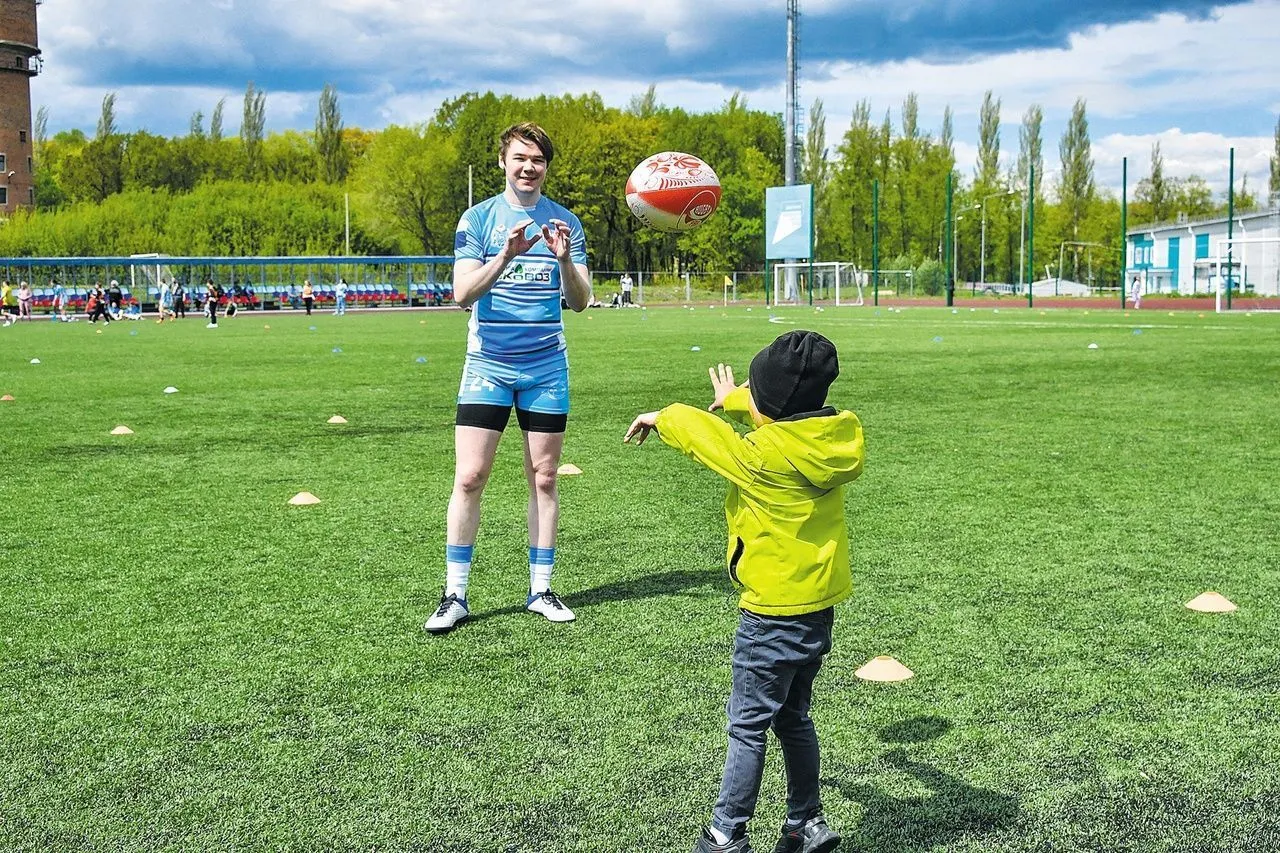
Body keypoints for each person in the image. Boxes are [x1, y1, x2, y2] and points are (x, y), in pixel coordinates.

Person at [624, 331, 865, 853]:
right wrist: (737, 398)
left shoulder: (758, 458)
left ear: (766, 406)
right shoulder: (829, 439)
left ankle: (726, 832)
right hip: (818, 610)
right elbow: (775, 418)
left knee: (747, 727)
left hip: (770, 616)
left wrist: (661, 416)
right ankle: (807, 823)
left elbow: (709, 437)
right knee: (793, 717)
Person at [424, 121, 592, 634]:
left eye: (538, 160)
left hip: (545, 367)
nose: (528, 167)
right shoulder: (477, 220)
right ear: (503, 162)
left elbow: (581, 301)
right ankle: (454, 595)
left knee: (544, 478)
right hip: (488, 365)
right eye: (520, 157)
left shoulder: (566, 223)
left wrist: (564, 260)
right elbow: (461, 295)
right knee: (470, 477)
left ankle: (540, 589)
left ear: (546, 167)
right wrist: (505, 255)